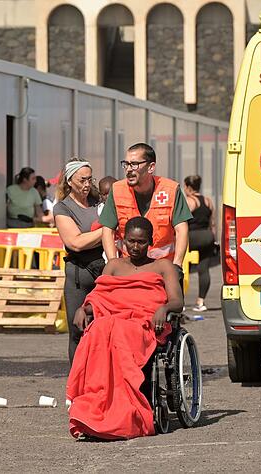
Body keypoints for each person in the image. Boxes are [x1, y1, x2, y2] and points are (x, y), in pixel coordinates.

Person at [67, 217, 184, 440]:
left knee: (115, 330)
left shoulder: (162, 266)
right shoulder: (113, 265)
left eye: (141, 242)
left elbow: (177, 301)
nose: (135, 247)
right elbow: (100, 296)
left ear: (150, 241)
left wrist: (164, 307)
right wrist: (85, 308)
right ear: (123, 240)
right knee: (98, 330)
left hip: (142, 324)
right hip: (113, 321)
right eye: (131, 241)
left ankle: (125, 415)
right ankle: (94, 411)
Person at [100, 143, 192, 284]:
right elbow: (107, 230)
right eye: (126, 164)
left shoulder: (170, 190)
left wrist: (177, 266)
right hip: (129, 270)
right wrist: (114, 263)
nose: (129, 170)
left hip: (164, 270)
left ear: (151, 167)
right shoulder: (117, 190)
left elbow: (182, 229)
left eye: (135, 164)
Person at [52, 159, 103, 363]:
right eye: (82, 180)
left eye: (90, 179)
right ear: (70, 181)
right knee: (77, 331)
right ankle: (76, 384)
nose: (87, 184)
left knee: (103, 330)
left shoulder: (99, 201)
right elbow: (75, 243)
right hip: (79, 275)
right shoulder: (63, 208)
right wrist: (107, 231)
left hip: (104, 272)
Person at [183, 175, 217, 312]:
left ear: (188, 187)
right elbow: (212, 223)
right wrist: (213, 239)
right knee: (204, 269)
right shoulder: (208, 201)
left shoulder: (190, 201)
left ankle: (181, 302)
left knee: (181, 268)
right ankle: (200, 302)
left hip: (192, 237)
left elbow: (181, 221)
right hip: (207, 236)